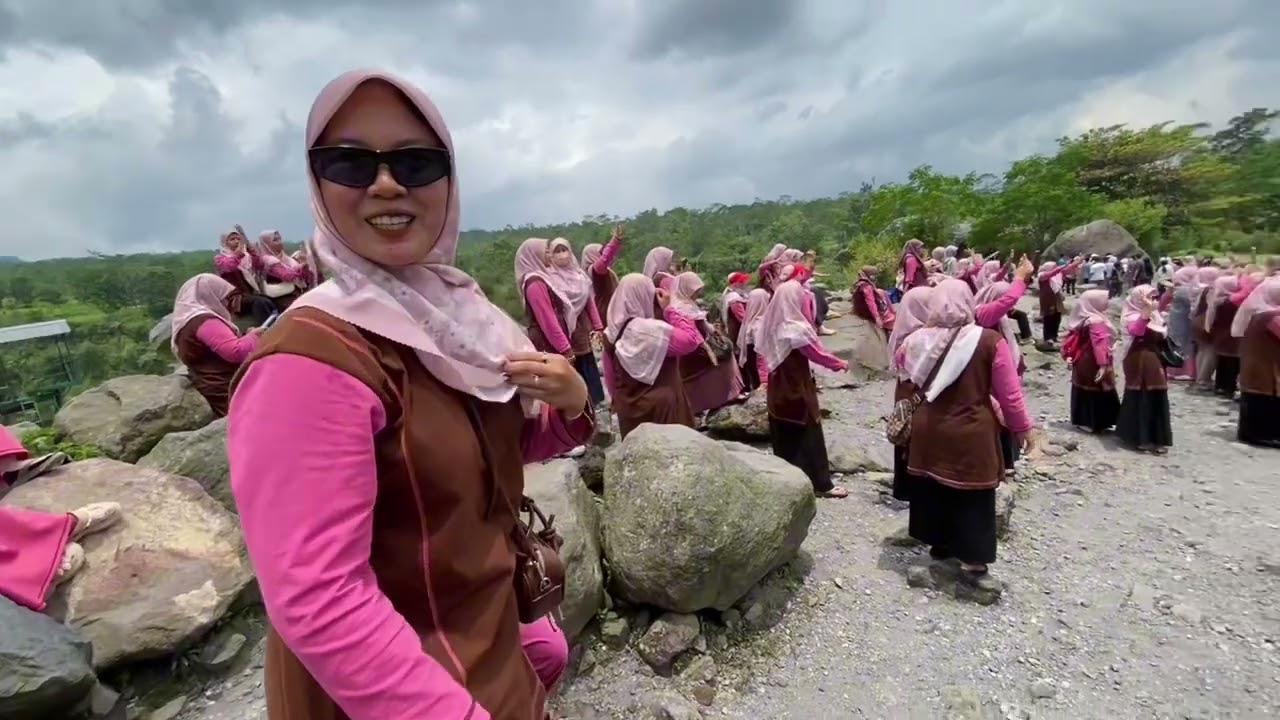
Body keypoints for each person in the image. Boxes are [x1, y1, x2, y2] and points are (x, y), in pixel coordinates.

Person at [226, 69, 592, 720]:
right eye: (350, 163)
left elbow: (481, 460)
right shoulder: (310, 361)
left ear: (448, 183)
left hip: (490, 660)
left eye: (417, 163)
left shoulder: (455, 318)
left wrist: (568, 406)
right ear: (317, 183)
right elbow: (319, 598)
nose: (388, 183)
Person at [899, 279, 1032, 588]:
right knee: (972, 492)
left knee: (934, 485)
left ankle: (940, 545)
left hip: (928, 427)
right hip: (971, 428)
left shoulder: (916, 340)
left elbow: (902, 369)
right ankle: (972, 560)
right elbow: (1010, 395)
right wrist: (1023, 429)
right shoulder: (987, 341)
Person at [754, 280, 849, 498]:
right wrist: (839, 364)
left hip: (778, 386)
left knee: (784, 431)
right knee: (808, 431)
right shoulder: (794, 327)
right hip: (796, 386)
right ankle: (821, 484)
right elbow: (815, 354)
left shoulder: (773, 323)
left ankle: (788, 479)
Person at [601, 274, 701, 437]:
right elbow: (690, 340)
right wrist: (670, 309)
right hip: (663, 410)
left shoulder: (610, 331)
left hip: (628, 410)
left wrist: (616, 401)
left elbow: (609, 376)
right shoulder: (652, 331)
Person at [170, 274, 263, 417]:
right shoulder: (204, 321)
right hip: (223, 386)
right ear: (210, 295)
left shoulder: (189, 320)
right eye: (224, 297)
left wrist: (245, 335)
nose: (226, 303)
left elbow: (216, 346)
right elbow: (235, 352)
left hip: (213, 383)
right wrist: (255, 336)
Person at [669, 272, 744, 413]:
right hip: (695, 349)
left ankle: (724, 395)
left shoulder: (685, 304)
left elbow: (704, 325)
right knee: (725, 353)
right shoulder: (680, 308)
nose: (697, 294)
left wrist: (714, 332)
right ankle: (727, 393)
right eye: (695, 291)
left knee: (726, 348)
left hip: (697, 346)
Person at [887, 286, 933, 503]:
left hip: (903, 393)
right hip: (918, 394)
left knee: (903, 435)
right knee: (917, 439)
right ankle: (914, 490)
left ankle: (901, 487)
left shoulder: (902, 333)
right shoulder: (923, 338)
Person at [1114, 285, 1173, 453]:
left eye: (1153, 297)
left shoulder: (1156, 315)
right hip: (1138, 358)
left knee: (1157, 395)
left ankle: (1158, 437)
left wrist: (1152, 310)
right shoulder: (1131, 316)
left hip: (1153, 358)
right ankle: (1140, 437)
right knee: (1141, 395)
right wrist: (1147, 309)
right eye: (1148, 297)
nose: (1152, 301)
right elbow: (1137, 330)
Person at [1232, 277, 1280, 447]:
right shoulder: (1272, 316)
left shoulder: (1261, 311)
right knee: (1263, 402)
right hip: (1264, 367)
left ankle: (1256, 434)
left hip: (1256, 364)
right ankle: (1262, 436)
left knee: (1257, 401)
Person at [1064, 290, 1120, 433]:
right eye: (1104, 299)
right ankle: (1095, 423)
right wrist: (1103, 364)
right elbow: (1099, 344)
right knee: (1097, 389)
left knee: (1083, 389)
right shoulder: (1096, 321)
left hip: (1081, 360)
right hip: (1092, 361)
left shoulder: (1082, 317)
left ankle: (1083, 420)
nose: (1107, 302)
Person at [213, 227, 276, 323]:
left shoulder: (246, 257)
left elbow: (259, 263)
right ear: (225, 243)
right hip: (234, 298)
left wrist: (248, 246)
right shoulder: (220, 259)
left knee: (269, 301)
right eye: (232, 239)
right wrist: (238, 254)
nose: (236, 241)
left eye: (238, 239)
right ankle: (265, 329)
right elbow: (230, 266)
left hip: (249, 294)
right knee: (259, 302)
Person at [848, 265, 895, 372]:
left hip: (863, 314)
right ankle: (881, 360)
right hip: (869, 315)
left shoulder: (859, 283)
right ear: (870, 275)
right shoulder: (867, 286)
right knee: (879, 338)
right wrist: (877, 317)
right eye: (874, 275)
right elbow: (871, 302)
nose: (875, 277)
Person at [1205, 274, 1243, 397]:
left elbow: (1212, 317)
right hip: (1234, 334)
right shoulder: (1236, 301)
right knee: (1233, 361)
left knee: (1222, 360)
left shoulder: (1217, 300)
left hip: (1220, 332)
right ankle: (1229, 387)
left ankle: (1219, 385)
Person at [580, 224, 624, 325]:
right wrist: (615, 242)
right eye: (600, 252)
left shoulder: (589, 274)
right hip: (604, 315)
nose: (602, 254)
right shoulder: (594, 271)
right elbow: (604, 260)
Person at [1189, 266, 1223, 393]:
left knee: (1201, 350)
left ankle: (1199, 377)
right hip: (1206, 322)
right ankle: (1204, 379)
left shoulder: (1198, 287)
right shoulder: (1214, 289)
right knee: (1210, 351)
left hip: (1197, 320)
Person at [256, 230, 309, 311]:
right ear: (266, 244)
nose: (280, 242)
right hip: (282, 296)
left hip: (295, 292)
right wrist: (303, 265)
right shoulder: (268, 260)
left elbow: (302, 276)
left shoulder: (286, 258)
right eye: (275, 240)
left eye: (279, 239)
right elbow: (288, 276)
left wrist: (304, 265)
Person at [1164, 266, 1198, 380]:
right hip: (1186, 319)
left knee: (1176, 342)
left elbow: (1164, 300)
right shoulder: (1188, 290)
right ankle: (1187, 371)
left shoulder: (1176, 288)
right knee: (1187, 344)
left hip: (1175, 318)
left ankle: (1174, 370)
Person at [735, 288, 770, 393]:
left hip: (758, 374)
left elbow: (760, 354)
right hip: (765, 372)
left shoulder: (751, 322)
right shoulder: (767, 321)